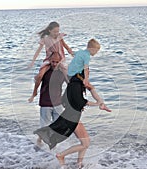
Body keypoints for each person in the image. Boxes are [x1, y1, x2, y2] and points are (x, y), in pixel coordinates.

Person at [34, 39, 111, 169]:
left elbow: (90, 90)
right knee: (85, 143)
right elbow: (81, 101)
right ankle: (62, 155)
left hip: (73, 116)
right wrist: (96, 104)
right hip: (72, 119)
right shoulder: (75, 85)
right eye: (87, 74)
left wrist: (101, 102)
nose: (89, 75)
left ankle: (79, 164)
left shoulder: (78, 84)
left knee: (85, 142)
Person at [28, 21, 73, 103]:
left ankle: (71, 98)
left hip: (60, 60)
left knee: (68, 79)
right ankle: (34, 92)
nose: (57, 33)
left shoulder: (59, 37)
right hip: (49, 59)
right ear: (49, 31)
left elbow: (66, 46)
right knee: (40, 75)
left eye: (58, 31)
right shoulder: (45, 38)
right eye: (55, 31)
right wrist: (33, 61)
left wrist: (72, 53)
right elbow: (38, 50)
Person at [35, 52, 68, 145]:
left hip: (58, 103)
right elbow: (37, 79)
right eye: (53, 61)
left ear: (60, 62)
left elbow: (70, 84)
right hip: (45, 102)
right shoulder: (45, 70)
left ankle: (53, 144)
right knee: (44, 125)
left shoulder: (62, 72)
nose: (54, 64)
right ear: (49, 60)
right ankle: (39, 141)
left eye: (57, 62)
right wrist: (34, 93)